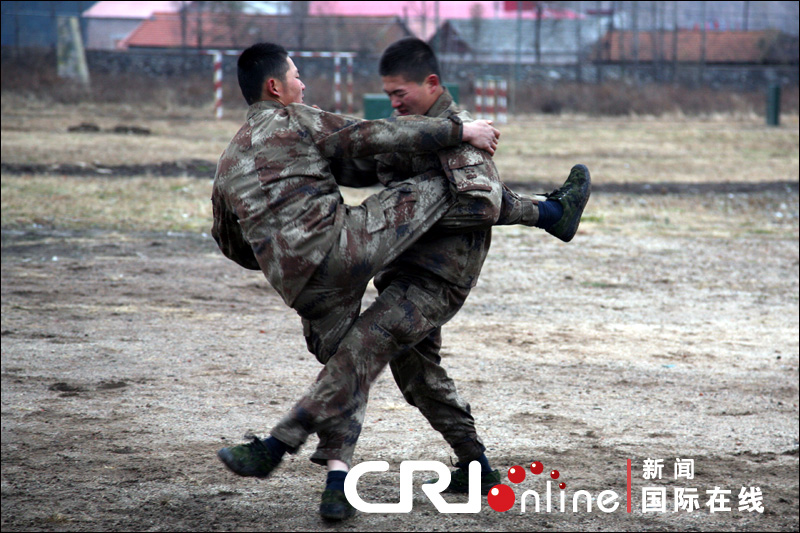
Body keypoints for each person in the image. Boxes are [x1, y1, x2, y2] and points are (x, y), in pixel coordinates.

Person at [212, 41, 589, 521]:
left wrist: (283, 254)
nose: (393, 101)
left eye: (399, 92)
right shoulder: (398, 134)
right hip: (394, 269)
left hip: (435, 277)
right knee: (417, 376)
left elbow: (479, 203)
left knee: (358, 354)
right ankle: (477, 467)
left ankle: (282, 447)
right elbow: (367, 145)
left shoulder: (459, 135)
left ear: (431, 85)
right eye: (388, 94)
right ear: (275, 86)